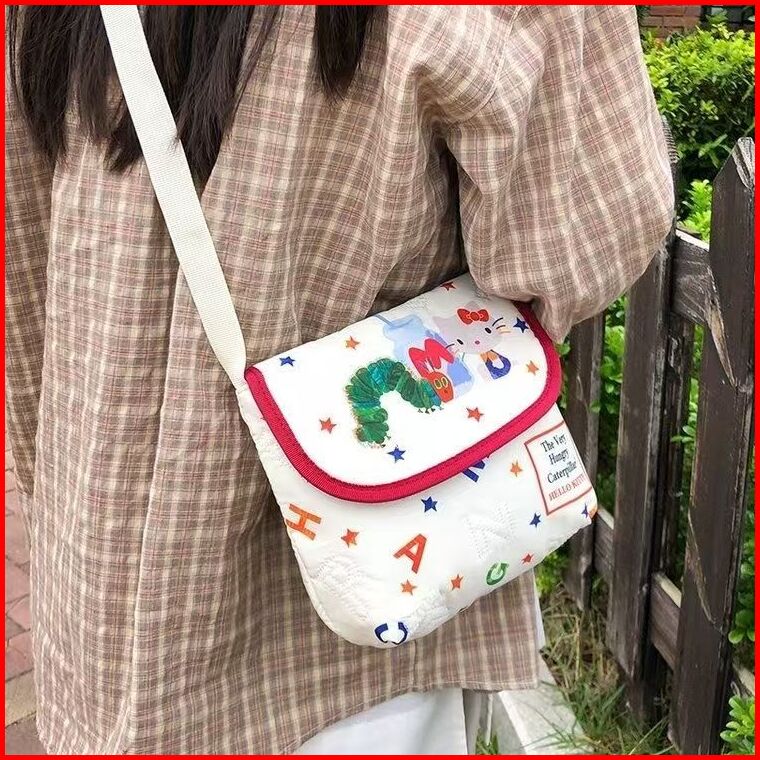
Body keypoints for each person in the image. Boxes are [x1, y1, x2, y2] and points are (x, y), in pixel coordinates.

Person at [5, 5, 672, 755]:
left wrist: (62, 484)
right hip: (359, 637)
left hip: (93, 580)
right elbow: (575, 247)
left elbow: (24, 274)